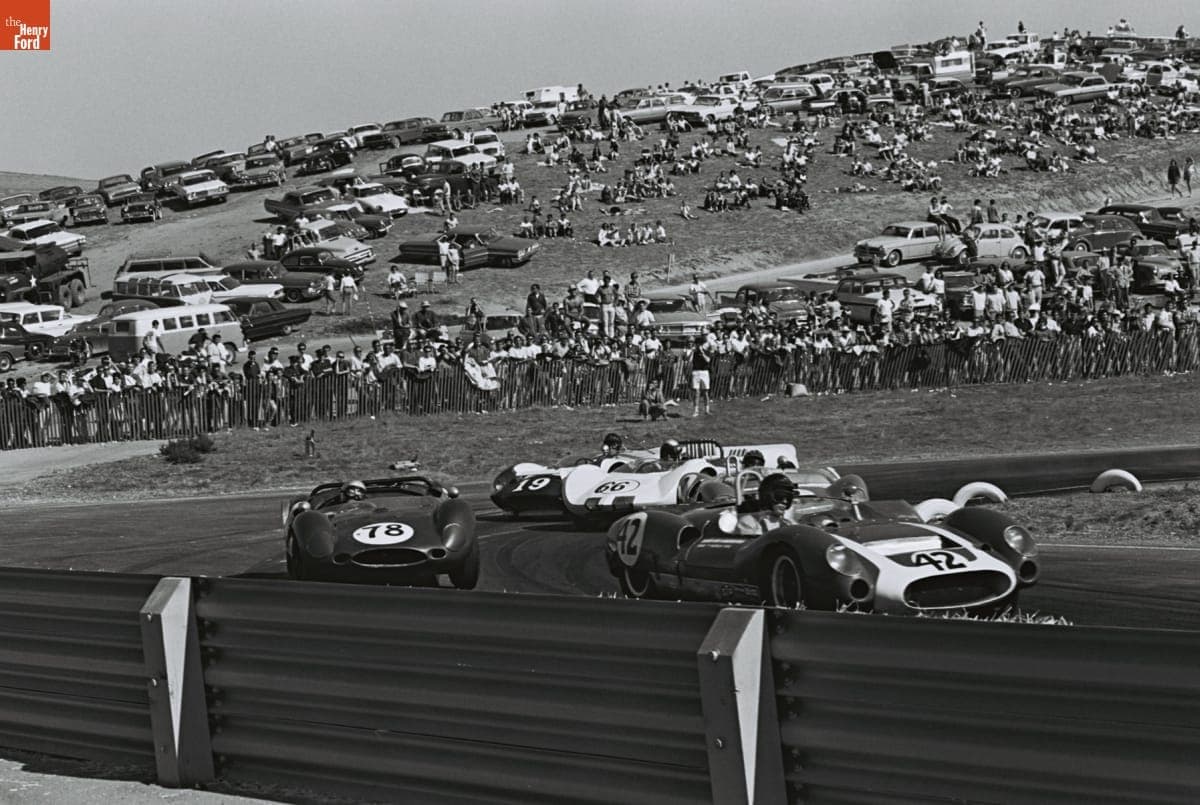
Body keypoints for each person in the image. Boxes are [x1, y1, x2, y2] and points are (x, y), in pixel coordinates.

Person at [690, 336, 712, 418]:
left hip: (704, 372)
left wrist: (702, 352)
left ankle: (707, 410)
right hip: (695, 372)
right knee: (696, 392)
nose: (699, 346)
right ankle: (696, 411)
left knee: (705, 392)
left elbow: (708, 360)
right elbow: (688, 359)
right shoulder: (694, 352)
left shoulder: (706, 351)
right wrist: (692, 351)